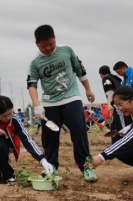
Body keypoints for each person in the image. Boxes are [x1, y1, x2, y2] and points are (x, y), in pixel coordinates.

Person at [27, 24, 97, 181]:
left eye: (51, 44)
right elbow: (31, 84)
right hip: (50, 103)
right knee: (50, 135)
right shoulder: (35, 62)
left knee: (79, 130)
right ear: (37, 44)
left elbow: (80, 70)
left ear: (55, 39)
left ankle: (86, 167)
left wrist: (88, 89)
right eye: (44, 46)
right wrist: (37, 104)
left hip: (71, 97)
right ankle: (51, 166)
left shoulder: (67, 51)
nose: (48, 48)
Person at [0, 95, 53, 184]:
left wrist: (42, 159)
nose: (7, 118)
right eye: (4, 116)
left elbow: (27, 139)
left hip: (5, 140)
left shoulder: (14, 119)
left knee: (1, 145)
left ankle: (8, 174)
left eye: (9, 114)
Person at [90, 84, 133, 177]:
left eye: (121, 105)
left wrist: (101, 157)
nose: (120, 109)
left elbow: (130, 138)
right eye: (117, 106)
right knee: (122, 150)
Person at [99, 65, 132, 142]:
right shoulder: (117, 79)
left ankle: (124, 143)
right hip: (125, 104)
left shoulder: (106, 78)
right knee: (118, 125)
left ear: (101, 74)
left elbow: (109, 91)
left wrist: (109, 103)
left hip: (119, 106)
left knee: (122, 127)